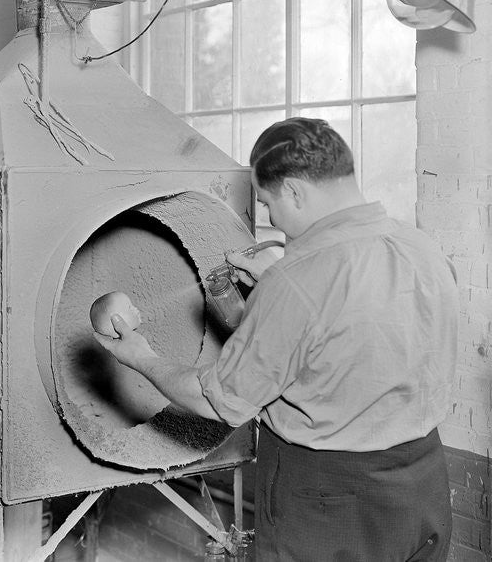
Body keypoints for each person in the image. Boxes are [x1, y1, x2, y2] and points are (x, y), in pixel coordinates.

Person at [94, 117, 458, 561]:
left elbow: (218, 402)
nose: (269, 217)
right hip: (422, 484)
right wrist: (274, 292)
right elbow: (353, 337)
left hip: (328, 499)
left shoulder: (296, 283)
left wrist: (141, 356)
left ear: (295, 191)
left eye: (267, 203)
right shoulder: (423, 249)